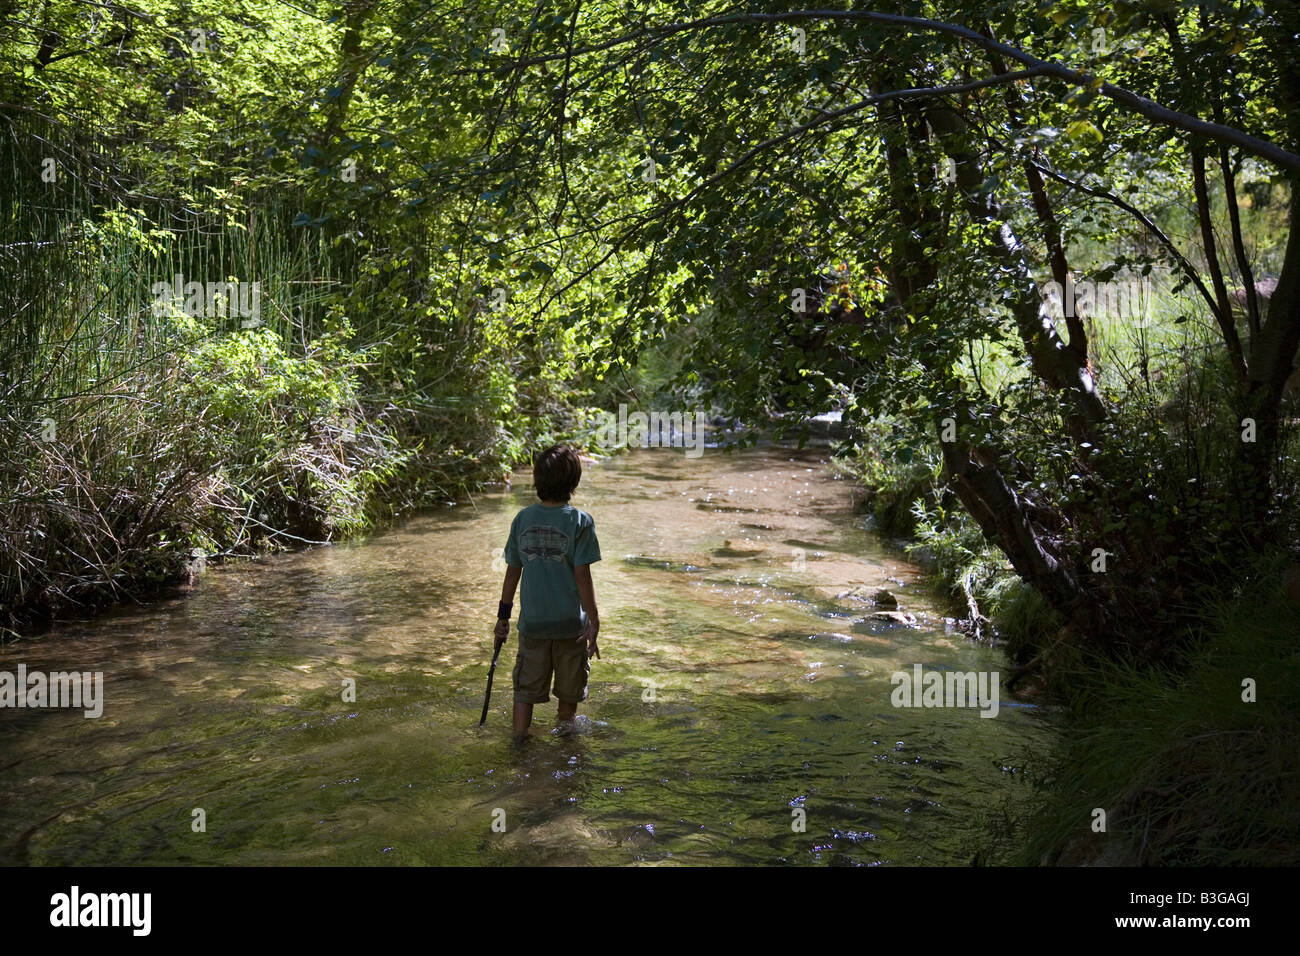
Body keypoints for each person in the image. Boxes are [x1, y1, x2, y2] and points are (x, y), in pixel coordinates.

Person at [494, 444, 601, 736]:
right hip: (570, 627)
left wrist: (503, 616)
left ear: (537, 480)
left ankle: (518, 743)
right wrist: (593, 620)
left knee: (525, 692)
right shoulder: (580, 522)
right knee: (569, 698)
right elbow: (582, 575)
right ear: (573, 482)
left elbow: (512, 571)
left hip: (533, 625)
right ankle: (566, 749)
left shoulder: (523, 520)